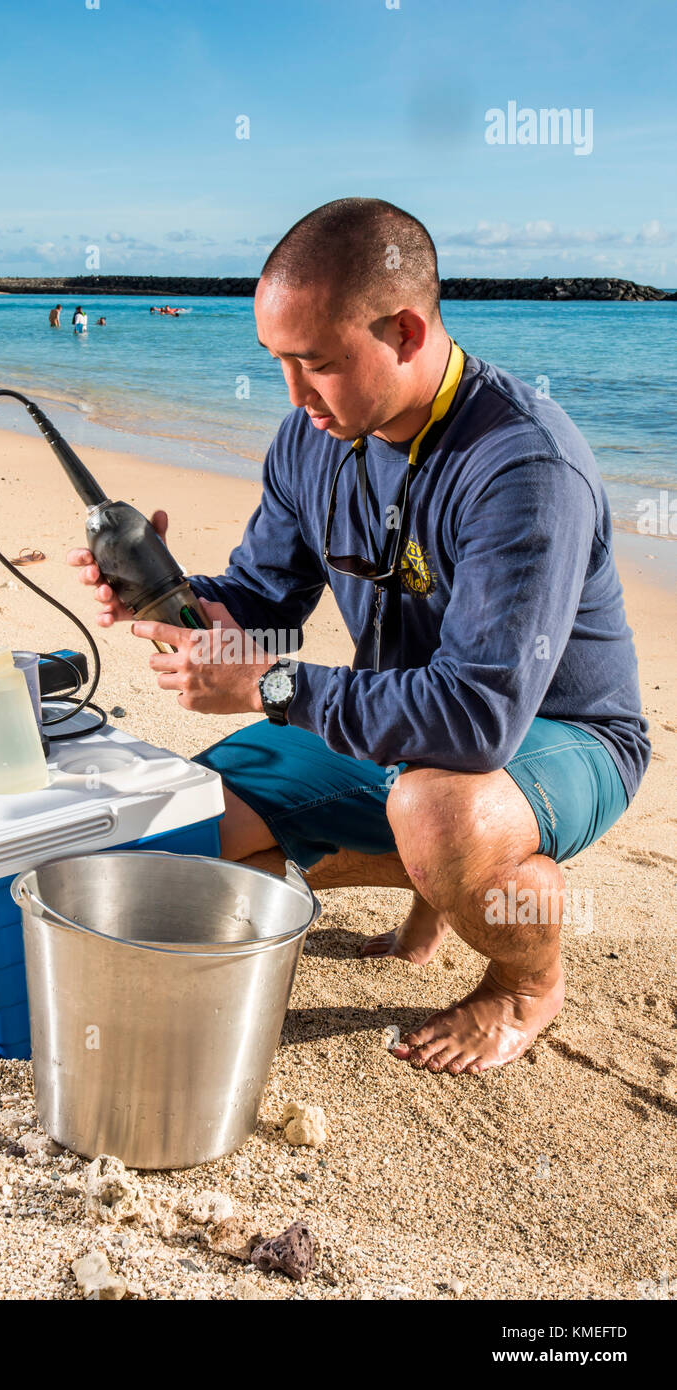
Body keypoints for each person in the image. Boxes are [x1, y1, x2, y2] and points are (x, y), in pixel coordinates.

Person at [67, 197, 650, 1076]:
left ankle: (527, 978)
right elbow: (265, 595)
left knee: (437, 809)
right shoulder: (313, 438)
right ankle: (436, 884)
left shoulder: (524, 466)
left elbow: (475, 723)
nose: (296, 397)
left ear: (407, 331)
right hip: (402, 722)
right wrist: (164, 596)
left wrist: (270, 687)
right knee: (190, 828)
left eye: (318, 365)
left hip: (561, 733)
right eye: (278, 364)